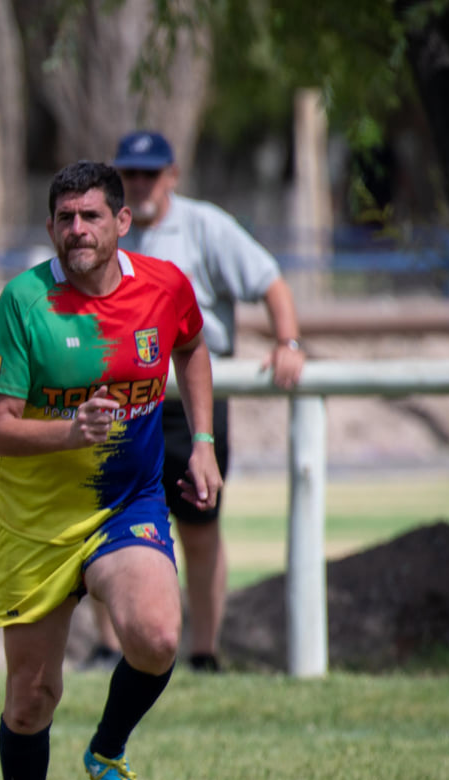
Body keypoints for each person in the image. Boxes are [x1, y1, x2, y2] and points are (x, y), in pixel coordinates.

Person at [0, 161, 218, 780]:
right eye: (64, 218)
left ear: (122, 221)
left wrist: (203, 442)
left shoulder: (164, 286)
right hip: (34, 523)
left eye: (90, 216)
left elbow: (191, 346)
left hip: (125, 504)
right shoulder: (24, 301)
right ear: (50, 227)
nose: (76, 230)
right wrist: (69, 431)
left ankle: (108, 750)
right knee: (32, 697)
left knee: (157, 636)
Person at [85, 131, 307, 672]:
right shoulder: (105, 231)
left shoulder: (205, 225)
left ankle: (204, 651)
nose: (140, 184)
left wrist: (288, 342)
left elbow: (270, 280)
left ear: (172, 176)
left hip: (190, 403)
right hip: (122, 400)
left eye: (150, 174)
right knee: (103, 524)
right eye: (130, 174)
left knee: (200, 525)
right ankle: (110, 647)